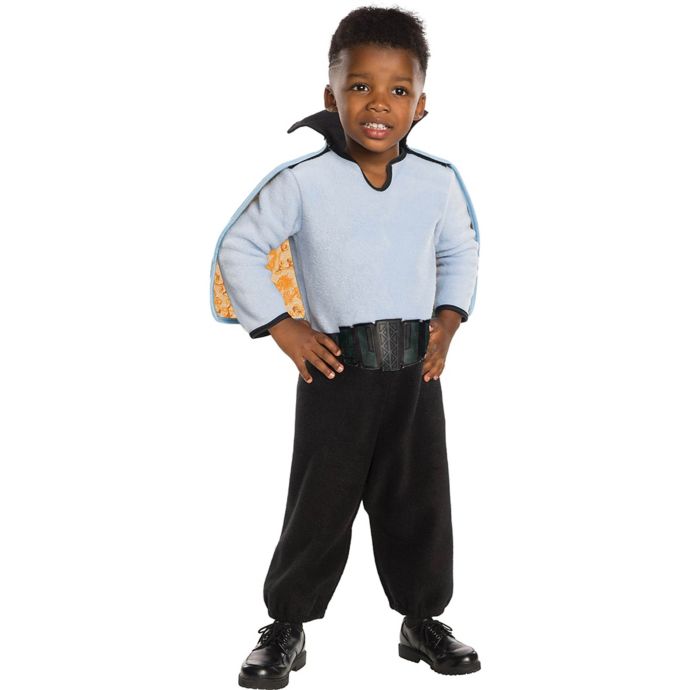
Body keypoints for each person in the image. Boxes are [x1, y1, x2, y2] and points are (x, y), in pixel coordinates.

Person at [210, 6, 482, 687]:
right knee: (320, 504)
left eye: (398, 89)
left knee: (419, 500)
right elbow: (240, 247)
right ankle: (287, 625)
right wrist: (283, 326)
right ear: (331, 96)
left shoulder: (438, 182)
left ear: (421, 105)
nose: (378, 103)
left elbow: (460, 251)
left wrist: (448, 321)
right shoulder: (302, 182)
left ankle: (421, 618)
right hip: (336, 372)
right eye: (360, 86)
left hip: (416, 373)